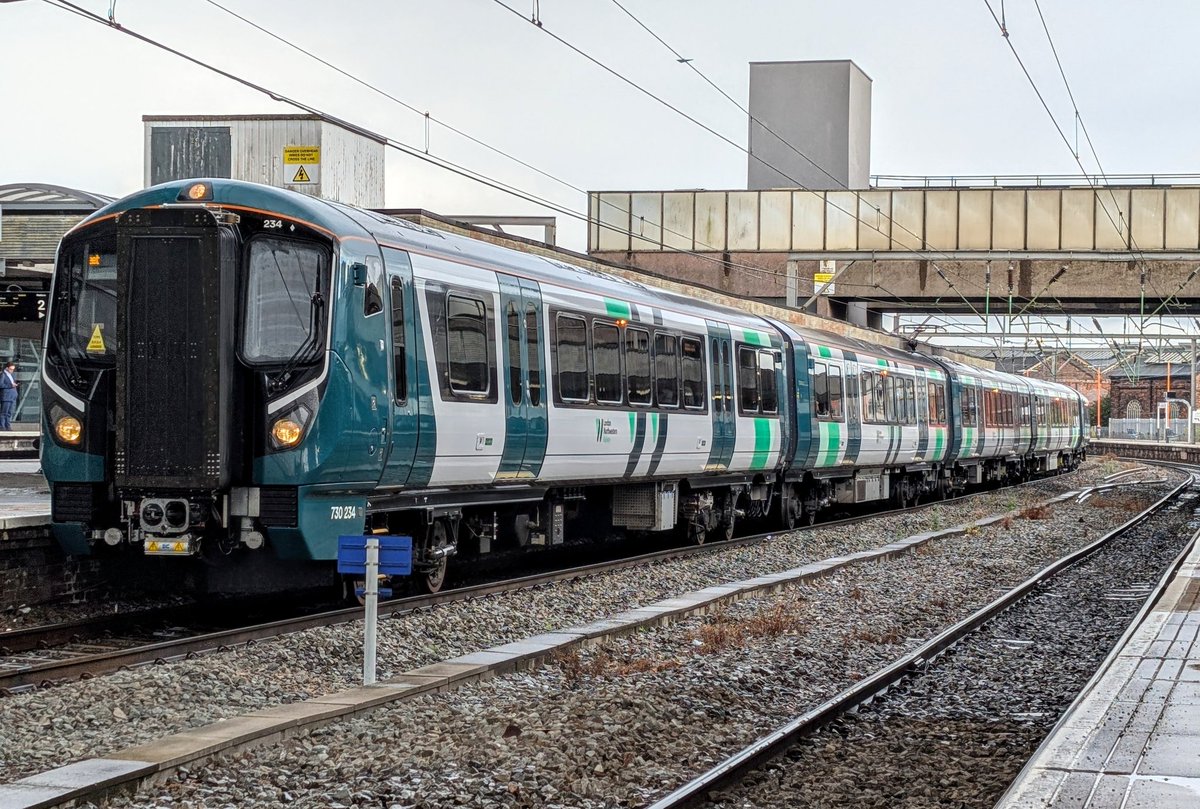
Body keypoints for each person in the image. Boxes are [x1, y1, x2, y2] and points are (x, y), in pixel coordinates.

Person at [0, 361, 18, 431]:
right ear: (7, 368)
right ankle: (2, 426)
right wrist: (10, 385)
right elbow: (0, 385)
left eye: (13, 369)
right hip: (6, 397)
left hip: (12, 396)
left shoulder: (11, 375)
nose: (12, 371)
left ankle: (8, 426)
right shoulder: (3, 375)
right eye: (11, 369)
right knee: (4, 412)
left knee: (9, 413)